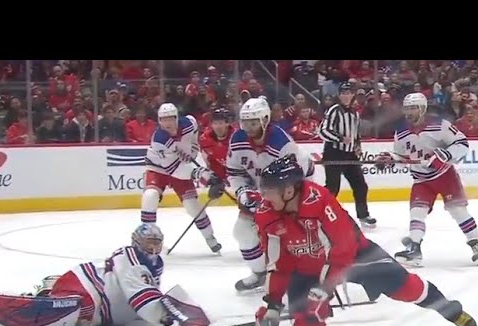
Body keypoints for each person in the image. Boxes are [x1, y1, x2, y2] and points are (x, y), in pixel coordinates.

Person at [253, 155, 478, 326]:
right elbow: (278, 262)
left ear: (289, 190)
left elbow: (343, 248)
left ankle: (449, 309)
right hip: (307, 268)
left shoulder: (319, 201)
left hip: (353, 256)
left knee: (407, 288)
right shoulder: (266, 214)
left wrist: (324, 288)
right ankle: (318, 312)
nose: (265, 197)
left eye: (270, 191)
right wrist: (272, 303)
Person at [0, 224, 210, 326]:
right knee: (58, 318)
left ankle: (41, 293)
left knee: (67, 311)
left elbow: (139, 296)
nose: (153, 249)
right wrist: (167, 315)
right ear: (136, 243)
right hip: (86, 294)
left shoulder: (152, 264)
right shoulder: (130, 257)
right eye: (148, 244)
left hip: (91, 295)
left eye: (156, 244)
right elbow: (142, 299)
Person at [376, 92, 478, 266]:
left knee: (458, 211)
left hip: (445, 176)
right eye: (407, 108)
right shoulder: (400, 132)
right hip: (421, 179)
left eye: (413, 108)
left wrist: (443, 155)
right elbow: (402, 156)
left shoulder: (440, 125)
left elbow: (462, 143)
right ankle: (414, 249)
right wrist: (390, 159)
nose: (409, 112)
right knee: (417, 212)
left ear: (422, 109)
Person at [226, 96, 312, 292]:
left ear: (265, 120)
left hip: (292, 193)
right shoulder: (238, 139)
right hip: (263, 193)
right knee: (242, 230)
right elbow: (234, 172)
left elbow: (294, 182)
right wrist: (242, 191)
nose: (248, 127)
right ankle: (259, 273)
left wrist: (267, 197)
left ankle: (301, 277)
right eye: (245, 122)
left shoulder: (283, 144)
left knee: (289, 236)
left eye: (253, 122)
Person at [141, 103, 222, 253]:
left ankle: (210, 238)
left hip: (180, 165)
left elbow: (194, 136)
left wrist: (193, 148)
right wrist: (204, 176)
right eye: (163, 120)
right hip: (158, 168)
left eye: (170, 119)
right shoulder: (159, 140)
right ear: (159, 121)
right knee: (150, 196)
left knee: (192, 205)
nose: (167, 123)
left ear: (177, 118)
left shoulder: (189, 123)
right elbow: (174, 171)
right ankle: (147, 241)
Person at [318, 82, 376, 229]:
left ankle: (363, 215)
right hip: (333, 154)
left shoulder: (355, 113)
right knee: (332, 188)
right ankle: (320, 215)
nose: (345, 96)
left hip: (350, 155)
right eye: (343, 93)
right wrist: (340, 137)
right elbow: (323, 131)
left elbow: (356, 135)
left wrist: (357, 147)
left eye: (348, 93)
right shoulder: (334, 111)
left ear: (352, 95)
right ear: (339, 95)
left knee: (360, 185)